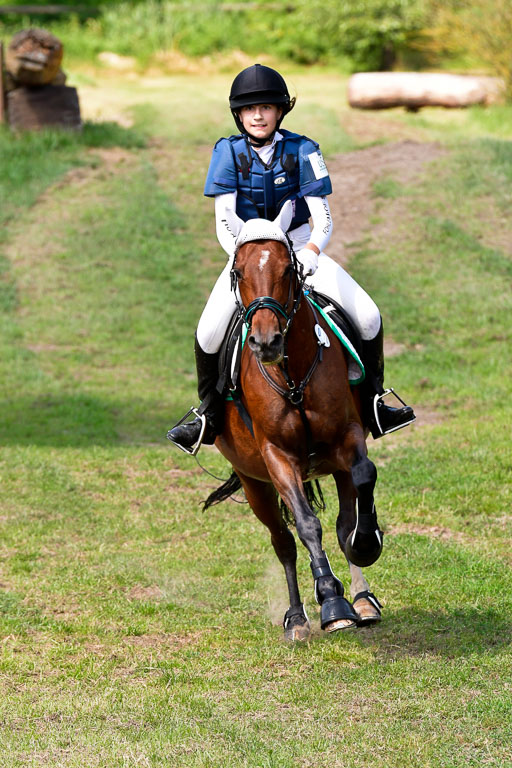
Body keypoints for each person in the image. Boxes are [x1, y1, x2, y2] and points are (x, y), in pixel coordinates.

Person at [168, 64, 415, 452]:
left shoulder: (303, 149)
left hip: (299, 247)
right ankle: (208, 415)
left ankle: (375, 403)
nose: (258, 115)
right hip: (247, 251)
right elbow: (224, 220)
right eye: (250, 110)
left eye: (266, 107)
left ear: (280, 111)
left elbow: (323, 217)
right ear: (239, 114)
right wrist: (246, 259)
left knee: (368, 315)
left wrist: (313, 251)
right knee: (207, 331)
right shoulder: (226, 152)